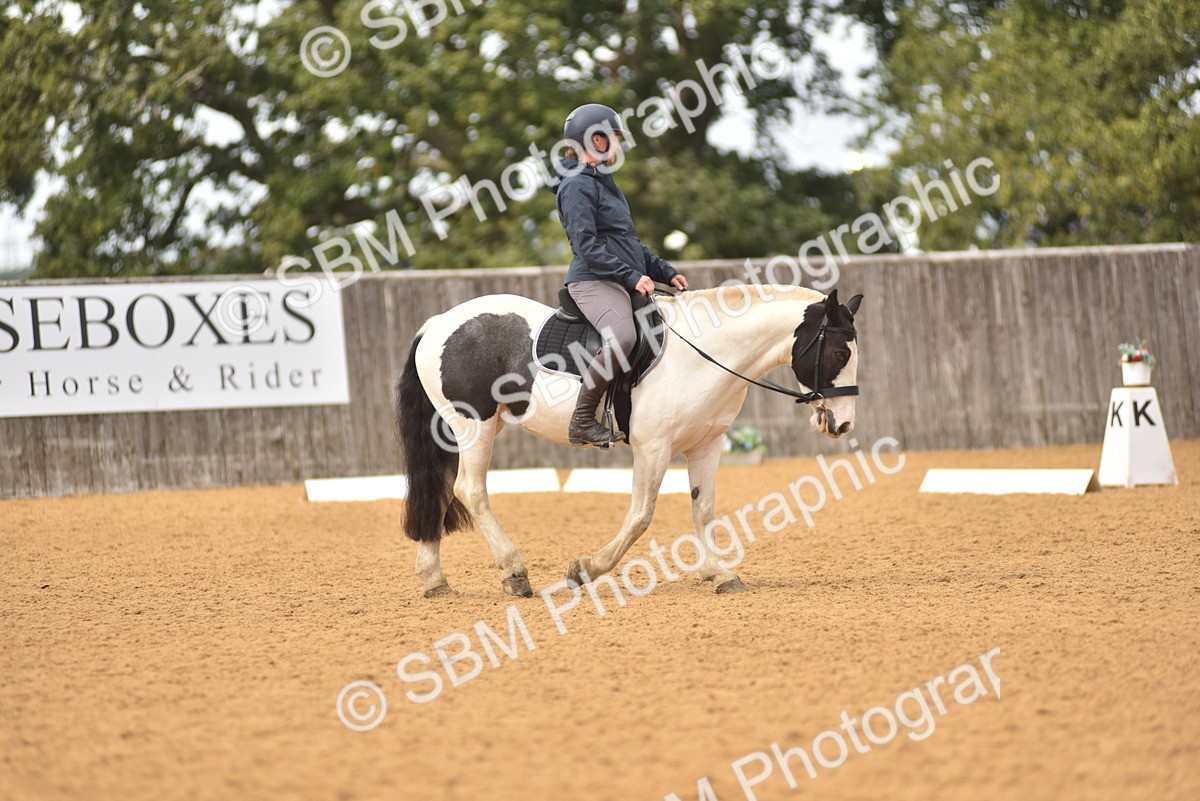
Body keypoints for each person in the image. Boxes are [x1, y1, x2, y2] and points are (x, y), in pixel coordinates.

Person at [550, 104, 689, 447]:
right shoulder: (576, 186)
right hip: (592, 280)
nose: (617, 146)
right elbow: (586, 245)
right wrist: (630, 277)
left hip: (616, 277)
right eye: (612, 139)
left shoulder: (604, 182)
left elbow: (629, 243)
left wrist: (665, 272)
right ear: (594, 139)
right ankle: (582, 420)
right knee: (624, 336)